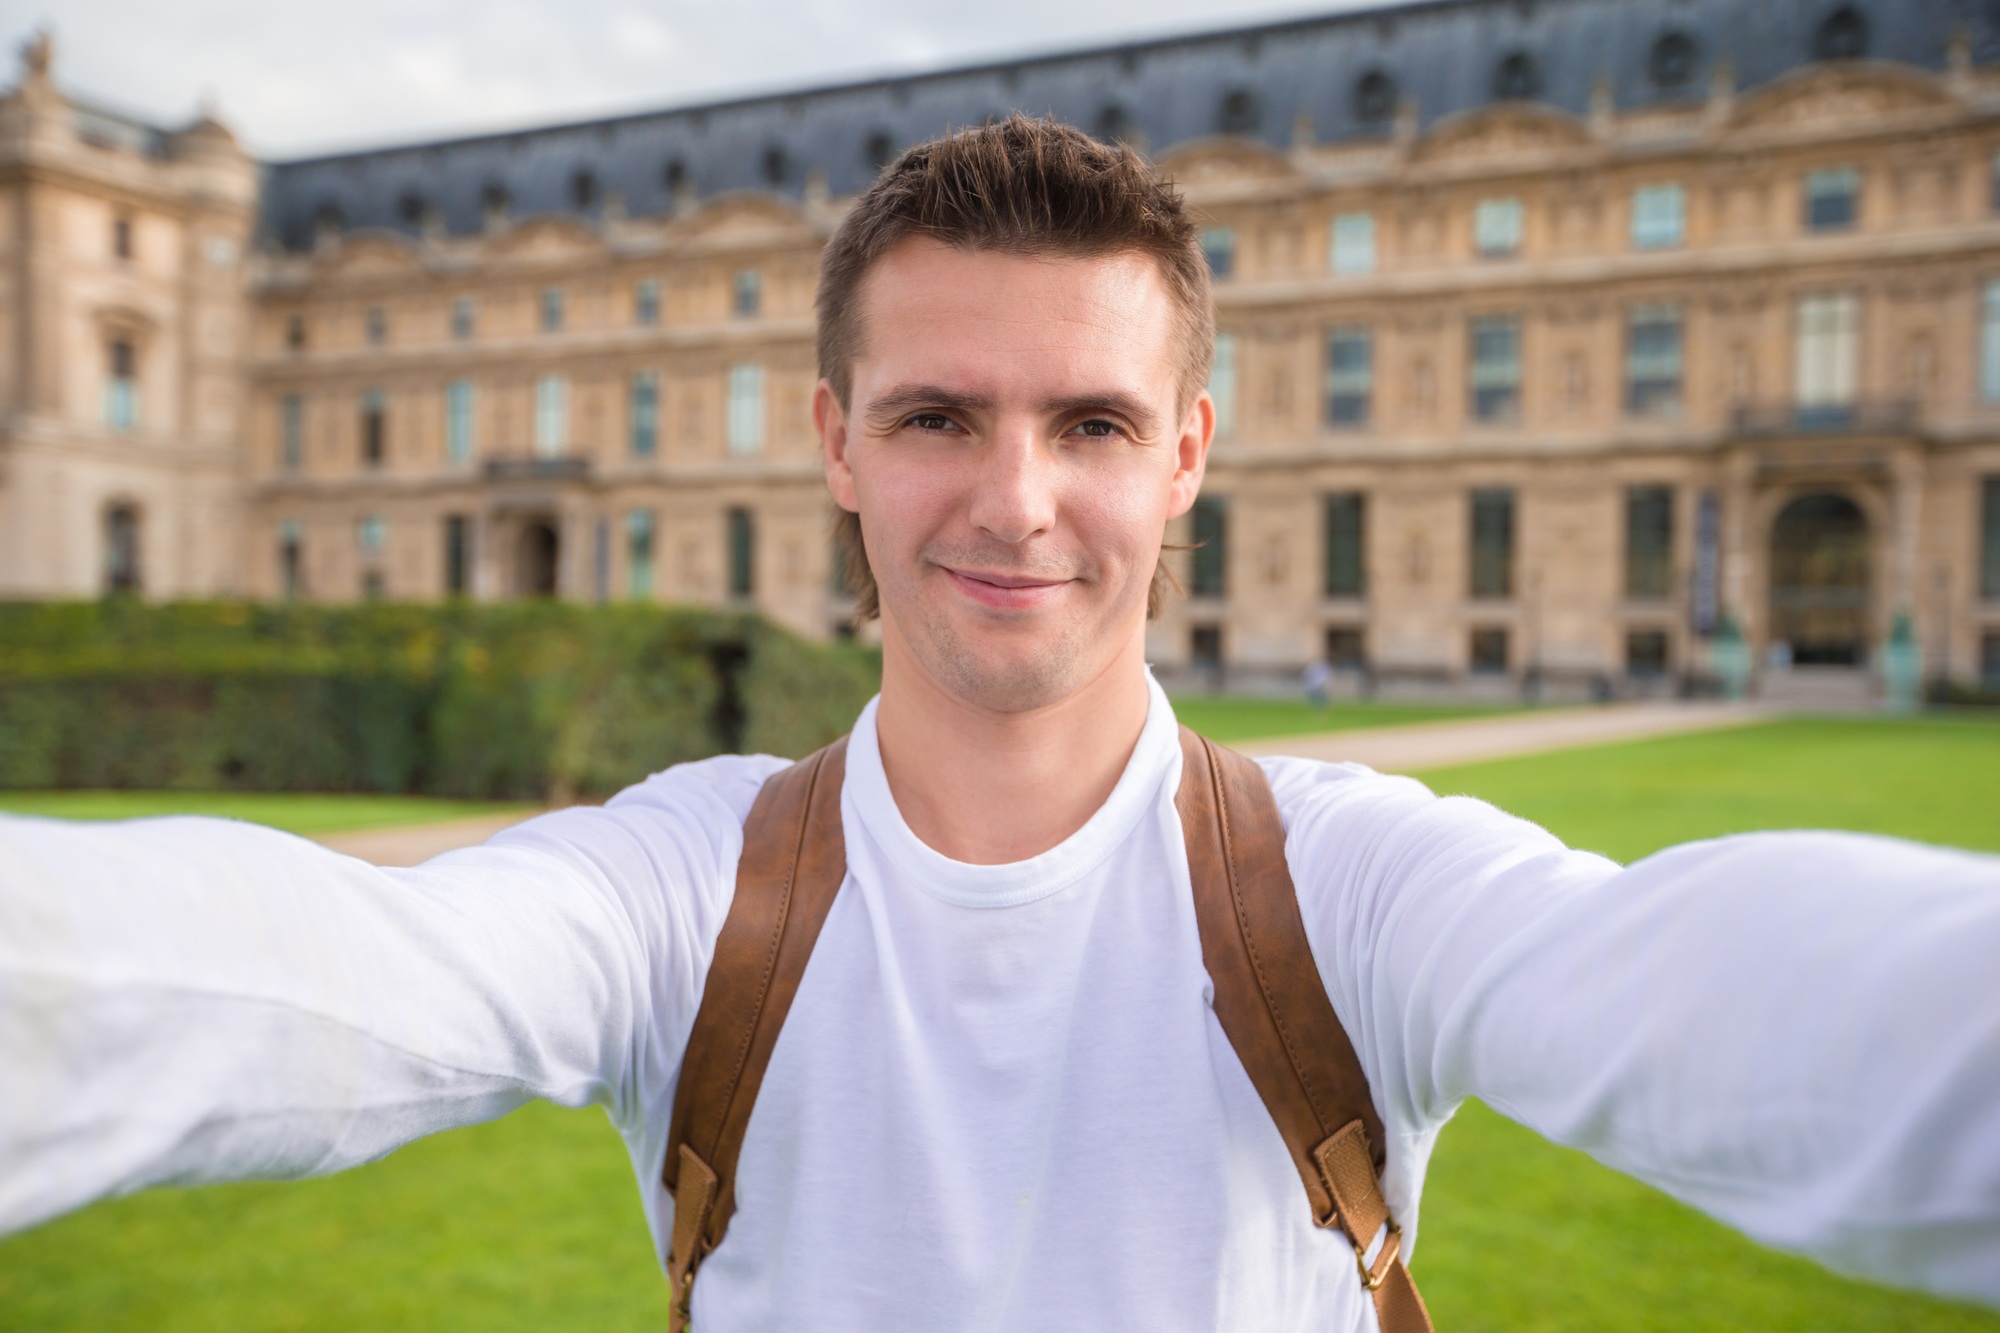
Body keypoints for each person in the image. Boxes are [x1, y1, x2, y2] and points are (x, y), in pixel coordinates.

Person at [3, 117, 1998, 1330]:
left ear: (1190, 454)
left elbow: (1711, 989)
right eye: (939, 413)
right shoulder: (689, 885)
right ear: (833, 448)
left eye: (1093, 423)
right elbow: (324, 974)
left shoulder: (1355, 882)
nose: (1017, 499)